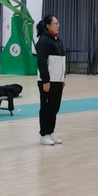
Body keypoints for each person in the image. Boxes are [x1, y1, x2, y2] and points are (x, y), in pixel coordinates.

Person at [35, 15, 66, 145]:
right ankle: (43, 134)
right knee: (46, 107)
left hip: (57, 80)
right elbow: (42, 62)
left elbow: (60, 62)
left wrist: (62, 78)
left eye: (58, 23)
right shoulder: (43, 41)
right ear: (48, 26)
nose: (57, 25)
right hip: (47, 81)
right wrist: (46, 80)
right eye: (55, 23)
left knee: (54, 107)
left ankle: (50, 132)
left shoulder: (58, 41)